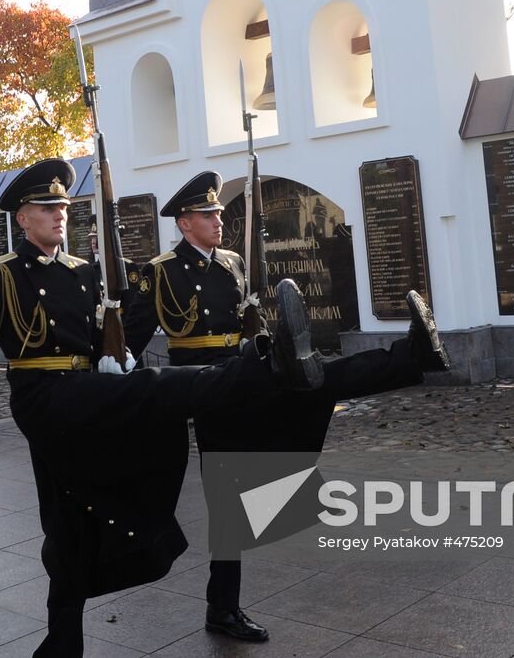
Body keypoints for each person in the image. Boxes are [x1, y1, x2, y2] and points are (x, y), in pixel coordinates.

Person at [0, 158, 326, 656]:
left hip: (87, 398)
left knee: (72, 522)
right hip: (45, 402)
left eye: (63, 206)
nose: (60, 215)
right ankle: (262, 365)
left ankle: (62, 645)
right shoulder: (1, 277)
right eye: (47, 207)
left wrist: (113, 355)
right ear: (22, 218)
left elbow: (101, 340)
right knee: (152, 394)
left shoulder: (82, 274)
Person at [122, 171, 451, 644]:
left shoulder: (234, 261)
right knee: (225, 501)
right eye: (208, 215)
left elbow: (246, 322)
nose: (218, 220)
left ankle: (414, 355)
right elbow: (129, 348)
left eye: (218, 213)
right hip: (205, 387)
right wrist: (123, 389)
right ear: (184, 223)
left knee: (319, 381)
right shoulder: (159, 271)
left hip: (246, 370)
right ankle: (224, 608)